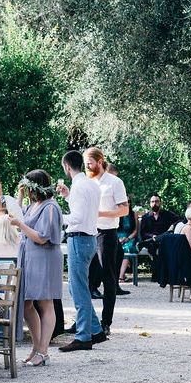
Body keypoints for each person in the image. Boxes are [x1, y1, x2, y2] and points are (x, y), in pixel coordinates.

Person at [9, 170, 63, 367]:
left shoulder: (50, 207)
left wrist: (20, 225)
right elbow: (18, 215)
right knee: (26, 303)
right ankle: (36, 346)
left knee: (45, 302)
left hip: (44, 257)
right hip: (29, 257)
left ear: (37, 187)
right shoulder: (33, 205)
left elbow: (42, 237)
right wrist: (20, 195)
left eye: (28, 187)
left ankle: (43, 351)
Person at [57, 150, 107, 352]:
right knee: (78, 287)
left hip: (79, 239)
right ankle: (96, 330)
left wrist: (57, 216)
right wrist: (68, 196)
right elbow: (85, 211)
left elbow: (77, 217)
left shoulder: (79, 186)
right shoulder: (91, 184)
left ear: (67, 166)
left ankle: (83, 336)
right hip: (90, 238)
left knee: (78, 289)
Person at [84, 147, 130, 336]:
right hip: (87, 232)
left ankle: (106, 322)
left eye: (90, 163)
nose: (87, 166)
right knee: (85, 278)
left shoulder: (114, 182)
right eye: (85, 164)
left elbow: (124, 210)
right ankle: (84, 320)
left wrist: (100, 213)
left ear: (100, 161)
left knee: (108, 278)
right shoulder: (87, 182)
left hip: (106, 234)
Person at [117, 197, 140, 283]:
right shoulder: (117, 214)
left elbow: (135, 231)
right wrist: (119, 239)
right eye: (124, 202)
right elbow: (113, 229)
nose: (126, 203)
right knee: (115, 247)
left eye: (128, 202)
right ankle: (119, 275)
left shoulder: (134, 214)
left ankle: (121, 276)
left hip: (130, 237)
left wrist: (127, 238)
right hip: (117, 237)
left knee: (128, 248)